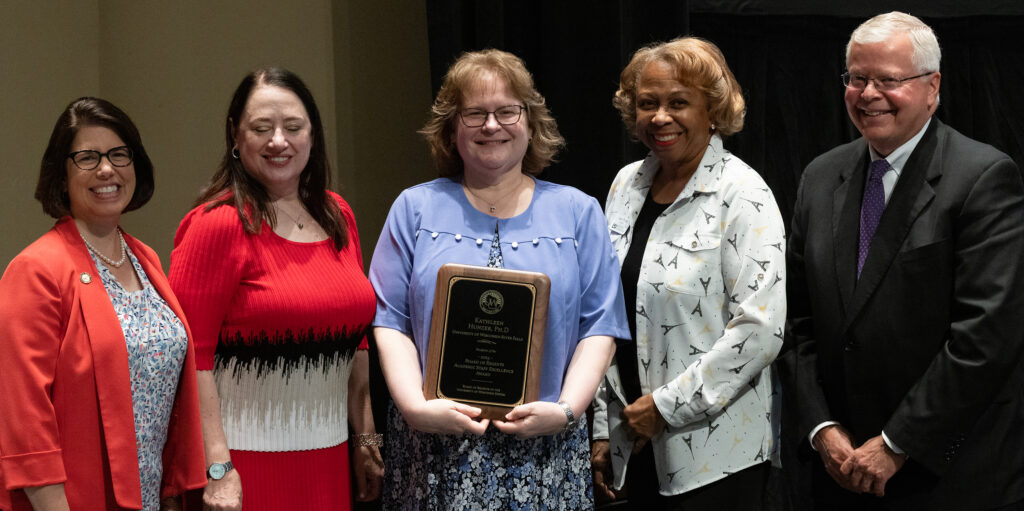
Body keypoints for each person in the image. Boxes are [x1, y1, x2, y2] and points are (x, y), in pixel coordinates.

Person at [779, 11, 1024, 510]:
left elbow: (985, 337)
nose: (868, 94)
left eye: (888, 80)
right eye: (857, 78)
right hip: (839, 470)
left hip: (947, 474)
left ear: (932, 86)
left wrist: (896, 442)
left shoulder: (983, 177)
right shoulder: (820, 177)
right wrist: (821, 428)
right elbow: (795, 321)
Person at [369, 48, 629, 509]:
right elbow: (390, 321)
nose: (492, 126)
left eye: (507, 111)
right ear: (452, 127)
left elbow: (601, 325)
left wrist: (566, 410)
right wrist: (413, 408)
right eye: (475, 113)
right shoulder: (414, 209)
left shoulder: (578, 212)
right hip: (435, 452)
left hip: (545, 448)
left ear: (530, 121)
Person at [168, 67, 383, 511]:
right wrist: (217, 469)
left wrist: (365, 437)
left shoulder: (336, 214)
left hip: (327, 458)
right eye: (261, 129)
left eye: (293, 127)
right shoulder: (217, 224)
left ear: (313, 133)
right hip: (243, 467)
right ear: (235, 135)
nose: (278, 141)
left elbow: (355, 340)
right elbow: (193, 358)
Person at [591, 37, 786, 508]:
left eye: (679, 102)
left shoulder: (743, 194)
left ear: (712, 110)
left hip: (717, 461)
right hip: (629, 448)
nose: (660, 117)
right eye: (647, 104)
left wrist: (664, 408)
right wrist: (602, 427)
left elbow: (761, 329)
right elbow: (598, 310)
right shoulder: (625, 185)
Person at [0, 97, 206, 510]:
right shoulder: (36, 270)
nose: (107, 169)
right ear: (61, 176)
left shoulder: (145, 258)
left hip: (151, 496)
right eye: (87, 157)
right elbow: (24, 419)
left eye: (118, 154)